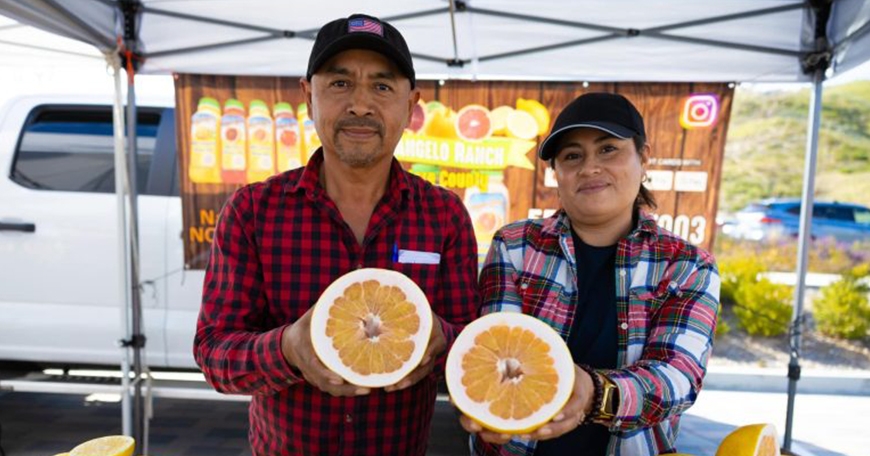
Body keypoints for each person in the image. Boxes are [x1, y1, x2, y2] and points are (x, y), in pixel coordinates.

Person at [194, 14, 480, 455]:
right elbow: (215, 353)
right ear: (308, 96)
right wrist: (288, 348)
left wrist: (440, 339)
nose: (361, 105)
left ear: (411, 104)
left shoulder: (444, 216)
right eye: (340, 84)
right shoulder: (253, 210)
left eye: (382, 86)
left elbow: (469, 348)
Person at [460, 92, 720, 455]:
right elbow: (495, 350)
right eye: (572, 156)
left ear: (643, 158)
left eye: (607, 149)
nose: (589, 167)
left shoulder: (687, 265)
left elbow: (677, 377)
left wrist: (594, 394)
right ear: (557, 173)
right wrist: (487, 403)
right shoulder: (515, 247)